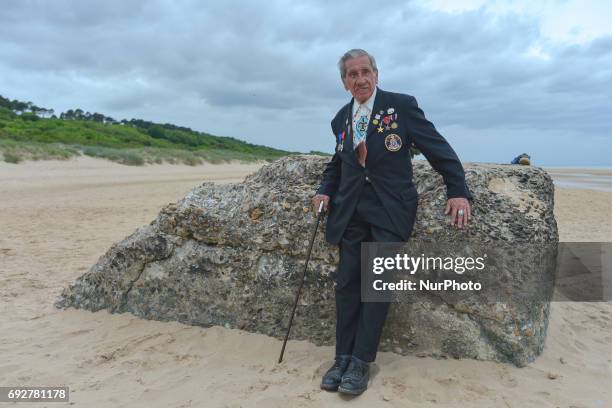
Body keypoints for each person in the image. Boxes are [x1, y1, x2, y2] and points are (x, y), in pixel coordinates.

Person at [312, 49, 472, 396]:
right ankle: (341, 357)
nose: (360, 79)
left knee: (376, 284)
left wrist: (458, 191)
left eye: (365, 71)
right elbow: (339, 164)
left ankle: (360, 362)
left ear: (376, 74)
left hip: (390, 209)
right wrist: (325, 190)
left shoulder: (402, 106)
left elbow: (438, 149)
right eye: (352, 74)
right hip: (351, 211)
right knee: (347, 285)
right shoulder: (341, 118)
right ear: (344, 82)